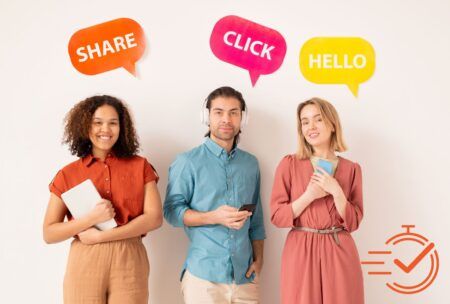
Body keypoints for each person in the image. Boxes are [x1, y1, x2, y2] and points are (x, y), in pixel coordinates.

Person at [43, 95, 163, 304]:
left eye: (113, 123)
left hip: (129, 257)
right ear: (84, 126)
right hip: (85, 258)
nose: (105, 130)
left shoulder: (140, 165)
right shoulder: (68, 174)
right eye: (97, 123)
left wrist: (100, 237)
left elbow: (154, 218)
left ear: (122, 127)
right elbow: (49, 233)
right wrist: (90, 219)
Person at [164, 86, 266, 304]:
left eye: (233, 112)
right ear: (206, 117)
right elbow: (172, 212)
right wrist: (213, 216)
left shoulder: (251, 164)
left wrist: (260, 259)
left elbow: (256, 219)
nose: (226, 119)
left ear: (242, 118)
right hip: (204, 277)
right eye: (218, 112)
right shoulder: (187, 162)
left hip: (245, 277)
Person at [270, 97, 364, 304]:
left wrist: (337, 192)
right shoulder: (289, 164)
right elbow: (277, 217)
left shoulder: (351, 169)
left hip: (339, 248)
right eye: (305, 122)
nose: (310, 127)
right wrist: (309, 196)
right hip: (301, 248)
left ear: (332, 124)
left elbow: (354, 222)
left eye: (318, 119)